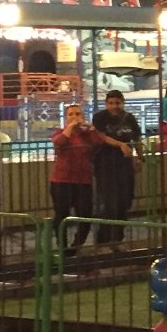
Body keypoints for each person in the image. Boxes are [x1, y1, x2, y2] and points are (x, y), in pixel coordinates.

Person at [89, 90, 142, 244]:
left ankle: (118, 237)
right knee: (109, 202)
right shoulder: (99, 118)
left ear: (122, 103)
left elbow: (137, 139)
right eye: (111, 103)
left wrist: (140, 158)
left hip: (124, 165)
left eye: (117, 103)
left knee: (125, 201)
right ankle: (104, 239)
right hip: (105, 164)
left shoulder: (129, 119)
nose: (114, 106)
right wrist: (120, 145)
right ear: (106, 104)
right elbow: (101, 136)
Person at [49, 103, 101, 253]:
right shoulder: (60, 132)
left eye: (77, 114)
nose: (74, 117)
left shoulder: (87, 134)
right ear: (65, 117)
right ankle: (62, 245)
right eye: (71, 114)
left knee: (85, 214)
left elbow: (98, 142)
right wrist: (70, 128)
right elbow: (59, 142)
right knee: (62, 214)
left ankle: (77, 245)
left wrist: (91, 129)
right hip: (61, 181)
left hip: (83, 181)